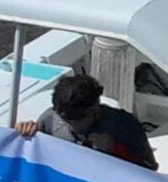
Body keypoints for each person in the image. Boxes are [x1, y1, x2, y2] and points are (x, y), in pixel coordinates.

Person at [15, 70, 156, 169]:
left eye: (78, 118)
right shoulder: (49, 120)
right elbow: (34, 157)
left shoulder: (125, 125)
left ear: (94, 108)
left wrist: (114, 151)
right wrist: (25, 135)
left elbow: (149, 168)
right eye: (66, 118)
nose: (72, 125)